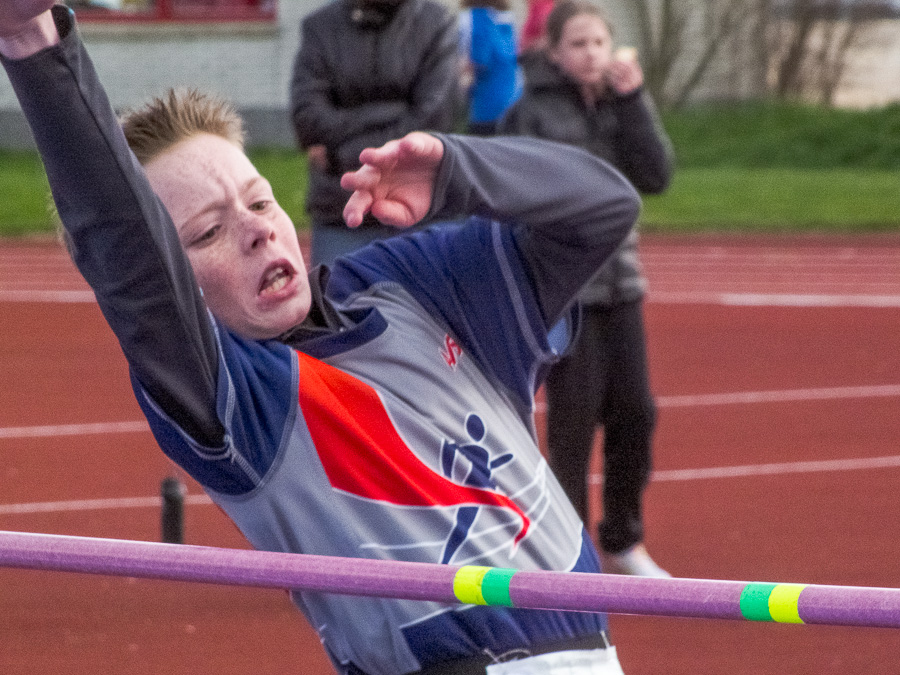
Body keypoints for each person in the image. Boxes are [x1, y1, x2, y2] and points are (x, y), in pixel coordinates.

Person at [0, 3, 642, 673]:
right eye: (207, 233)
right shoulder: (239, 400)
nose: (256, 230)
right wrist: (29, 40)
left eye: (257, 199)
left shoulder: (414, 286)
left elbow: (604, 209)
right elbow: (125, 245)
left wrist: (458, 172)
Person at [499, 0, 673, 578]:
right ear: (553, 52)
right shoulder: (530, 113)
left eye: (599, 42)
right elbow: (516, 193)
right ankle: (565, 552)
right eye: (578, 44)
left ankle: (623, 537)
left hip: (622, 286)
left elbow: (656, 175)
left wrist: (634, 101)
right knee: (573, 425)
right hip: (566, 294)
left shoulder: (622, 105)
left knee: (636, 414)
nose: (592, 54)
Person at [290, 0, 461, 266]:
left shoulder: (437, 24)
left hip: (417, 210)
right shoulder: (320, 27)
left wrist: (341, 152)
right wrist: (395, 113)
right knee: (335, 304)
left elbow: (436, 118)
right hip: (341, 208)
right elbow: (308, 119)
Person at [457, 0, 522, 136]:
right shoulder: (506, 17)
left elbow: (478, 59)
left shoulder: (475, 18)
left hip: (486, 105)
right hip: (513, 99)